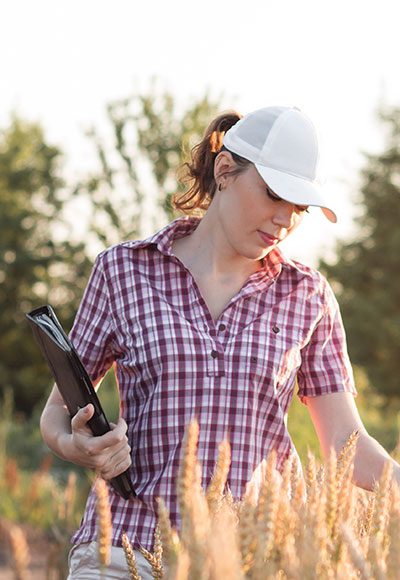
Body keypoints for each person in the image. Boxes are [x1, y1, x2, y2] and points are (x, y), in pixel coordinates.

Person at [40, 105, 400, 579]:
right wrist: (77, 446)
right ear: (225, 170)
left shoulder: (307, 294)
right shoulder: (123, 270)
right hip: (125, 544)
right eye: (274, 195)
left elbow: (346, 443)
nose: (284, 220)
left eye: (298, 208)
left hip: (247, 557)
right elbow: (57, 416)